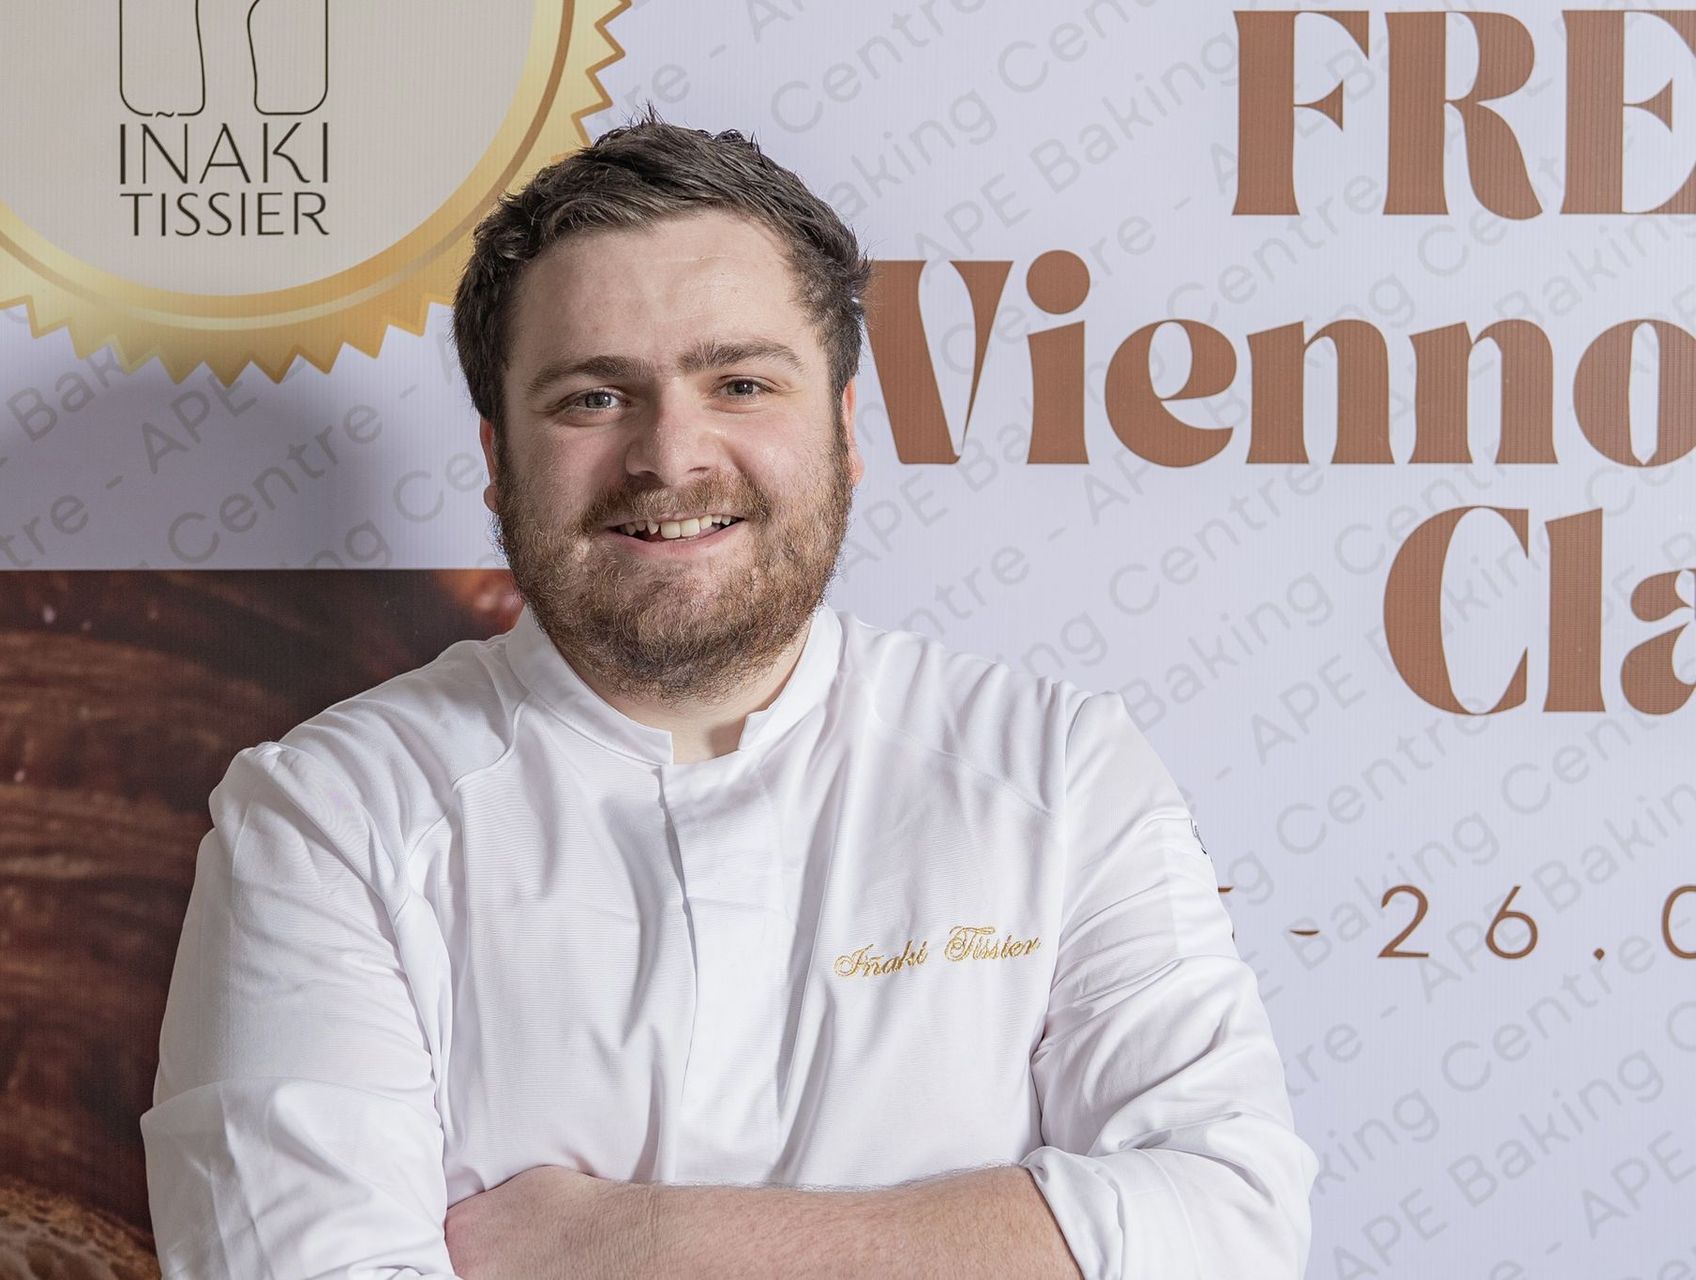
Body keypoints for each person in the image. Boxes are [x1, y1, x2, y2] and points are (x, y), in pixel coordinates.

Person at [139, 111, 1319, 1279]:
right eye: (594, 397)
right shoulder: (327, 817)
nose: (672, 454)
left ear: (845, 431)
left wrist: (617, 1243)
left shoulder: (1056, 770)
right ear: (498, 463)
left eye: (743, 382)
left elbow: (1231, 1221)